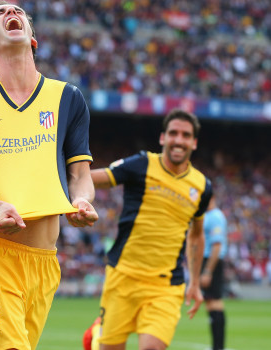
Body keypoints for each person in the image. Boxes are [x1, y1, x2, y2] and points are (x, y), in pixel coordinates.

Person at [0, 2, 98, 349]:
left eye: (18, 10)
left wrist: (82, 200)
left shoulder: (68, 98)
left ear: (33, 38)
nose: (11, 11)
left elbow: (79, 175)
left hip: (44, 262)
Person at [91, 110, 212, 350]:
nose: (179, 140)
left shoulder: (202, 187)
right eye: (173, 133)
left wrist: (195, 283)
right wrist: (66, 170)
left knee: (152, 347)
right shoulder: (142, 164)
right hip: (123, 277)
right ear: (162, 138)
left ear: (194, 142)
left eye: (186, 135)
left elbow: (197, 235)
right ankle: (97, 336)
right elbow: (99, 178)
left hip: (165, 285)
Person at [201, 195, 228, 350]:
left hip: (212, 261)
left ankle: (218, 346)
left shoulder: (215, 216)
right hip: (208, 260)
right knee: (210, 302)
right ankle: (217, 346)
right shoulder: (208, 215)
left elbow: (217, 245)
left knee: (215, 301)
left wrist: (208, 271)